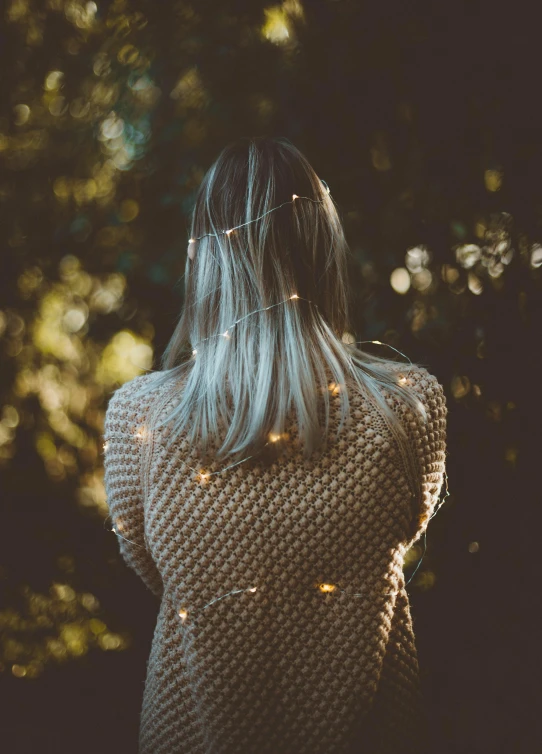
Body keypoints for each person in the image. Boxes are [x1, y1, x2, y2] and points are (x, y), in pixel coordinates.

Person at [103, 135, 447, 754]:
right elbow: (409, 524)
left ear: (205, 256)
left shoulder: (142, 418)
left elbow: (150, 567)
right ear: (322, 245)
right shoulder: (406, 406)